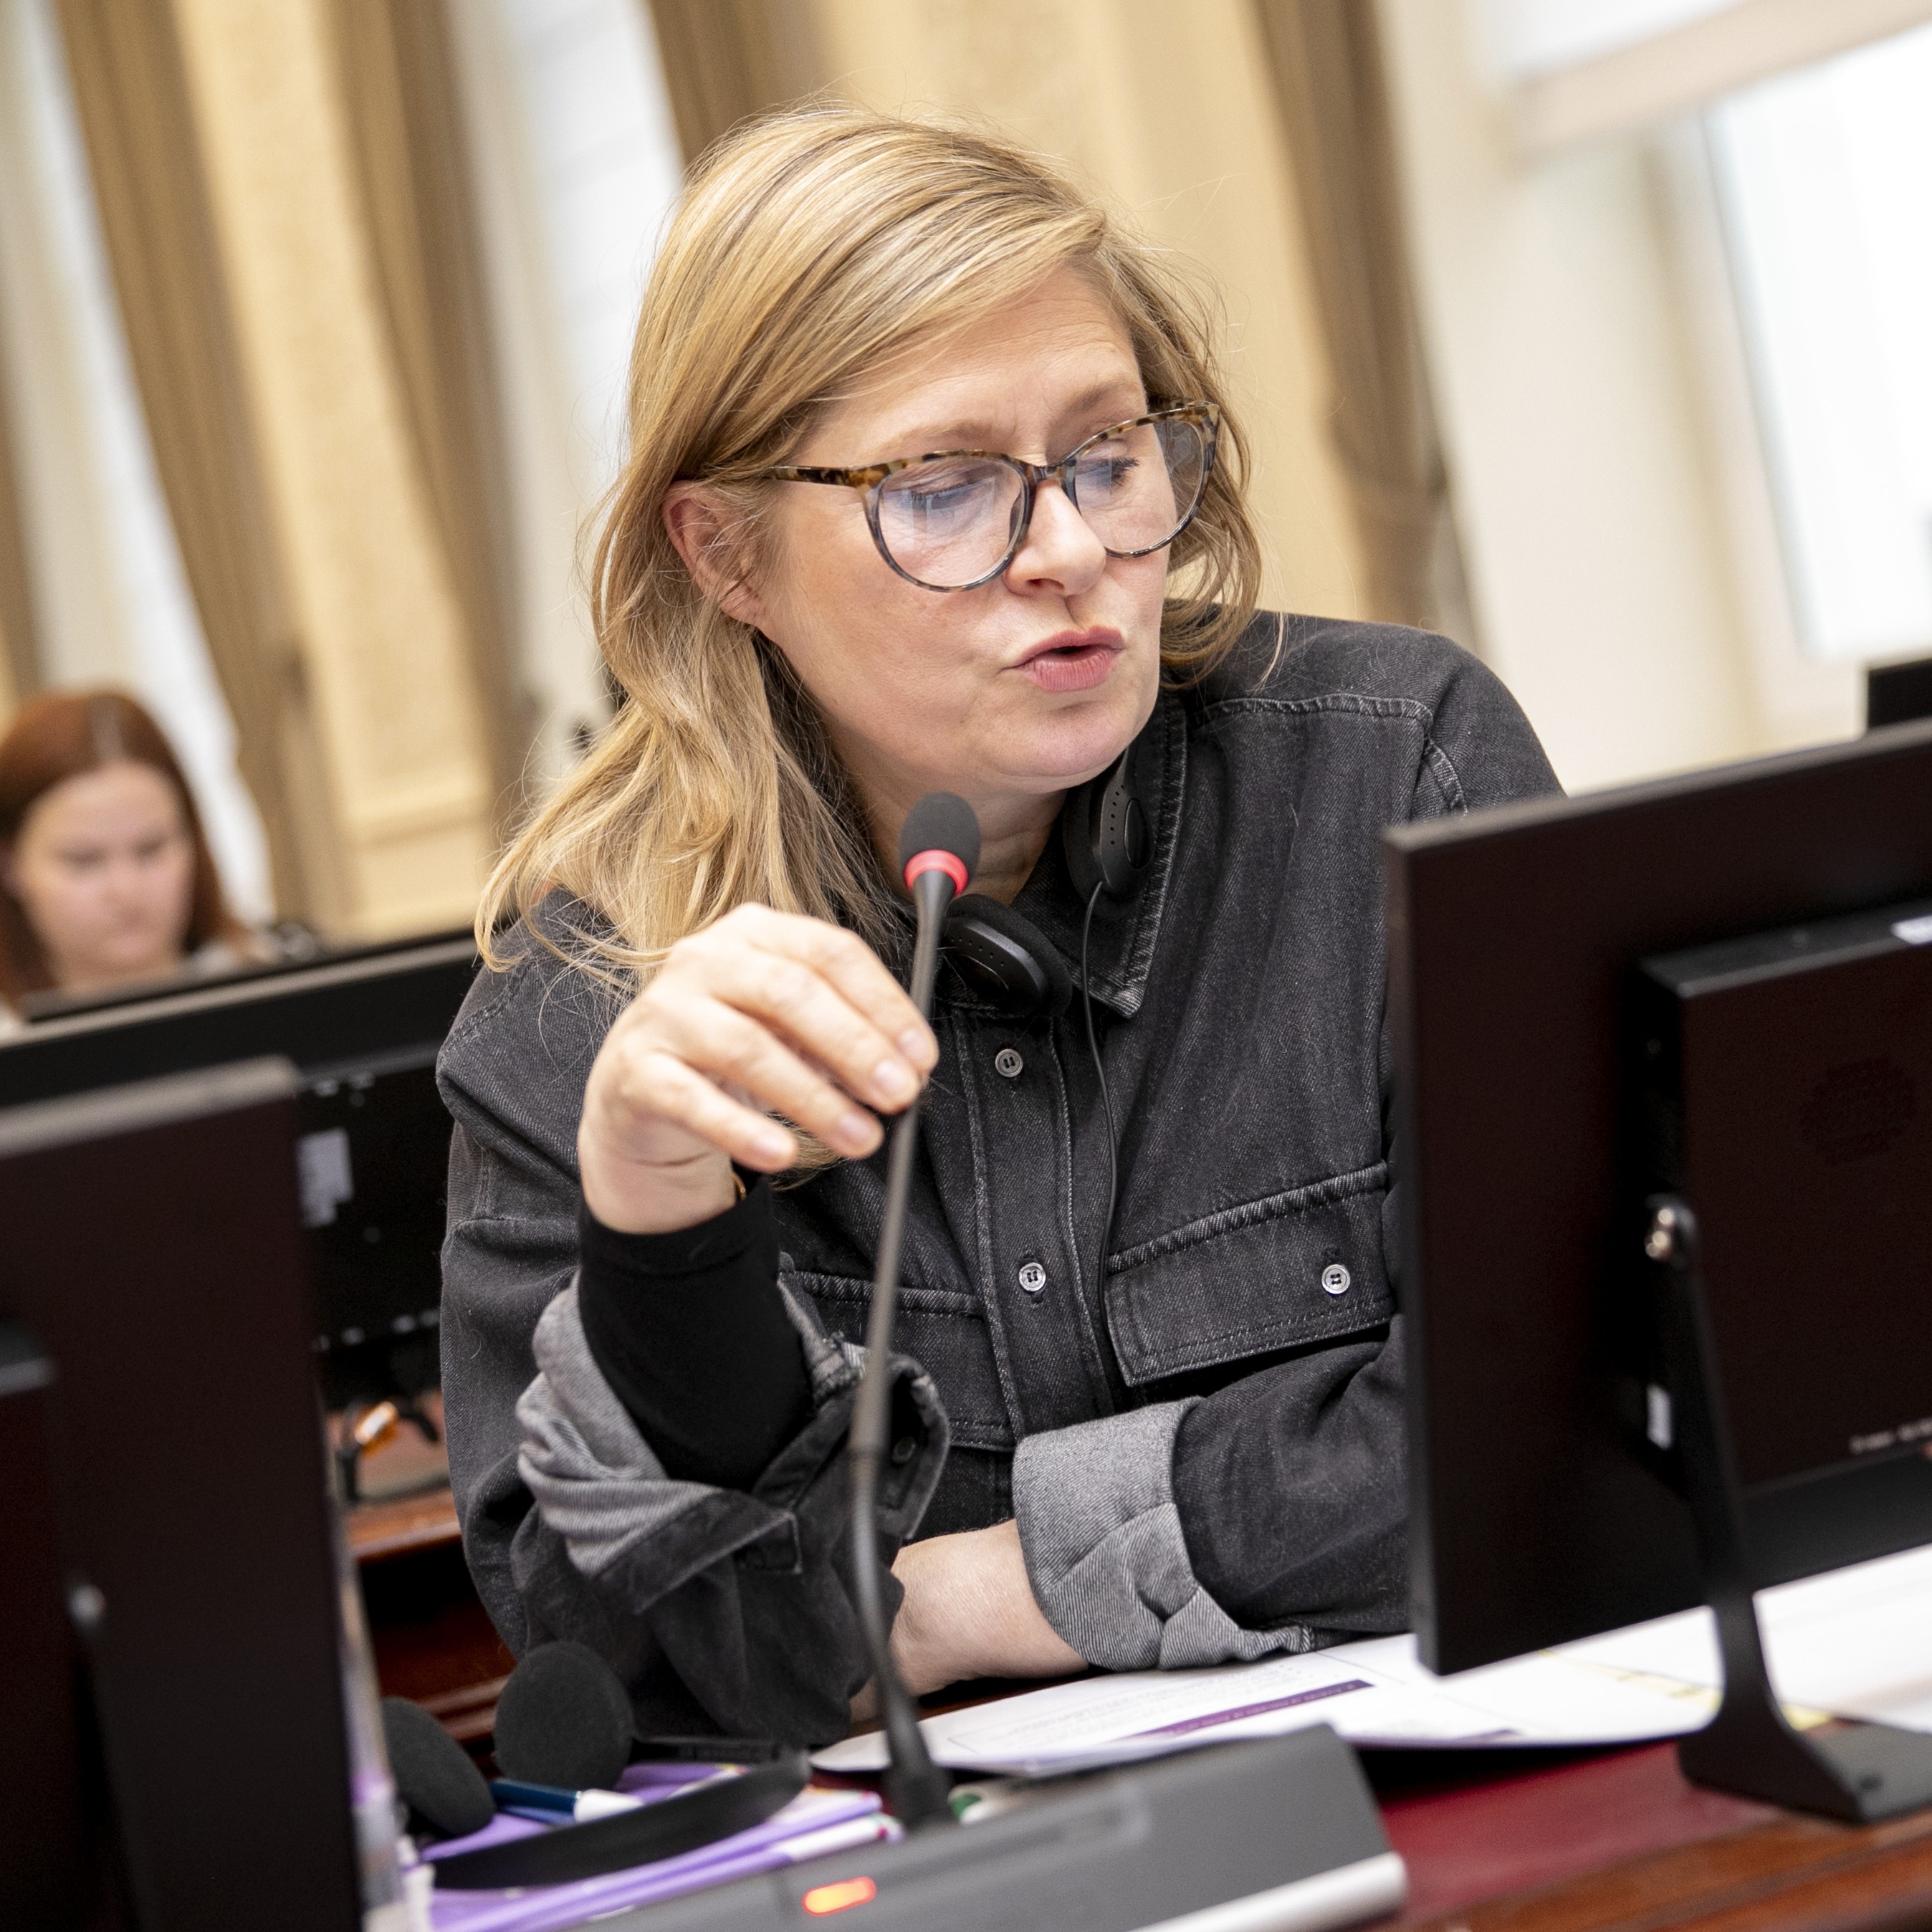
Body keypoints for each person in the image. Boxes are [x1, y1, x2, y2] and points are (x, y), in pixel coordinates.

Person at [437, 109, 1561, 1750]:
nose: (1068, 554)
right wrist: (664, 1232)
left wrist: (973, 1591)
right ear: (725, 548)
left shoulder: (1394, 769)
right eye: (947, 490)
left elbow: (1561, 1401)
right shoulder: (583, 1021)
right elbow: (647, 1689)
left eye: (1108, 456)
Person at [0, 689, 257, 1024]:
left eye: (151, 849)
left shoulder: (287, 987)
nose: (126, 889)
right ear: (10, 865)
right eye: (84, 860)